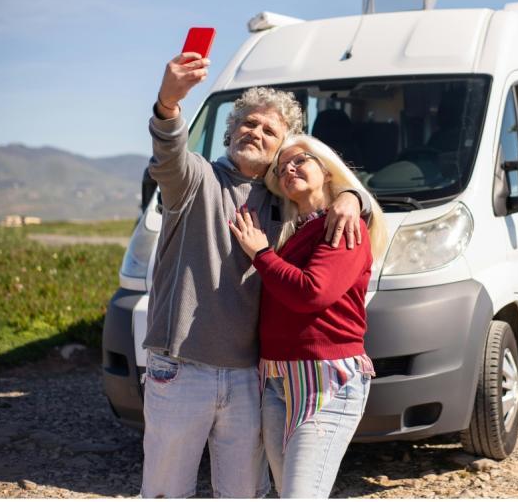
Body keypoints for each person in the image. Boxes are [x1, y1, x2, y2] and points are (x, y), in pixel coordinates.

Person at [140, 52, 371, 498]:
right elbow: (169, 154)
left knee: (245, 493)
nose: (256, 133)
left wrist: (351, 197)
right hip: (182, 368)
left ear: (280, 150)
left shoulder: (283, 203)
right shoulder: (196, 180)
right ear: (230, 131)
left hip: (251, 375)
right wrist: (168, 104)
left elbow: (324, 192)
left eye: (269, 131)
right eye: (248, 123)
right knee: (167, 491)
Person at [228, 134, 388, 498]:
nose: (289, 169)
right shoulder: (292, 233)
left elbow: (312, 293)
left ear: (327, 170)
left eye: (299, 160)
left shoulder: (343, 225)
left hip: (325, 379)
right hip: (277, 378)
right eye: (281, 168)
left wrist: (261, 255)